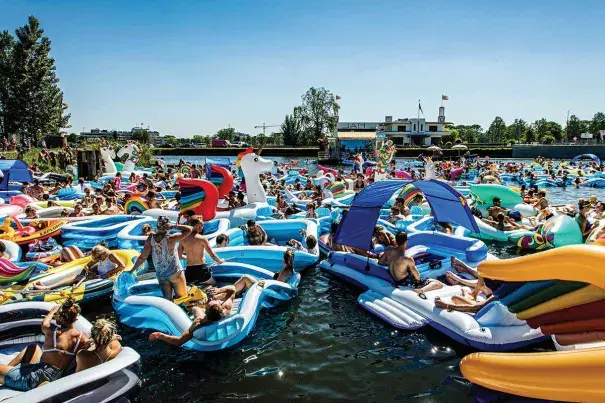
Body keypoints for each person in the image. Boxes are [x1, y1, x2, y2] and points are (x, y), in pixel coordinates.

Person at [0, 297, 88, 391]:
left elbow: (44, 323)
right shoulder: (81, 338)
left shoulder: (52, 332)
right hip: (55, 376)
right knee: (33, 348)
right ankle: (9, 371)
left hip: (36, 377)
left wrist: (52, 311)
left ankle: (8, 375)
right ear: (75, 319)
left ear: (59, 317)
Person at [148, 274, 259, 347]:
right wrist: (219, 290)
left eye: (210, 301)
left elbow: (179, 341)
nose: (211, 299)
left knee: (195, 308)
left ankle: (192, 306)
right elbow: (232, 290)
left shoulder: (199, 322)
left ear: (205, 311)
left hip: (199, 312)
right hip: (215, 317)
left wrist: (161, 335)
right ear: (220, 306)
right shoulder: (226, 309)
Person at [128, 216, 192, 301]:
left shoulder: (151, 238)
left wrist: (131, 271)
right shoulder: (171, 238)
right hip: (175, 273)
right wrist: (175, 226)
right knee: (183, 299)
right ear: (168, 226)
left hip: (161, 275)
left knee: (167, 301)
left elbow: (142, 257)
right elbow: (190, 229)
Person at [377, 231, 443, 296]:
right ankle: (421, 290)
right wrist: (420, 281)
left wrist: (391, 265)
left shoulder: (388, 249)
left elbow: (380, 262)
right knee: (438, 283)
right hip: (405, 282)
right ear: (406, 241)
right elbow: (417, 277)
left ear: (396, 240)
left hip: (396, 279)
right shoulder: (406, 258)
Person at [33, 245, 125, 290]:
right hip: (99, 277)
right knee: (74, 276)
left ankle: (48, 287)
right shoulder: (100, 258)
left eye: (97, 257)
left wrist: (108, 273)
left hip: (106, 279)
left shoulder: (111, 255)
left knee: (74, 277)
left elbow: (122, 266)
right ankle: (48, 285)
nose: (96, 259)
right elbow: (87, 265)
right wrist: (91, 273)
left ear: (102, 253)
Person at [178, 216, 225, 285]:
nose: (203, 226)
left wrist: (189, 257)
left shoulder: (183, 238)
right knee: (215, 285)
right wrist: (220, 261)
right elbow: (212, 254)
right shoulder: (202, 239)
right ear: (197, 226)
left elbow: (179, 256)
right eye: (202, 224)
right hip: (201, 270)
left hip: (189, 271)